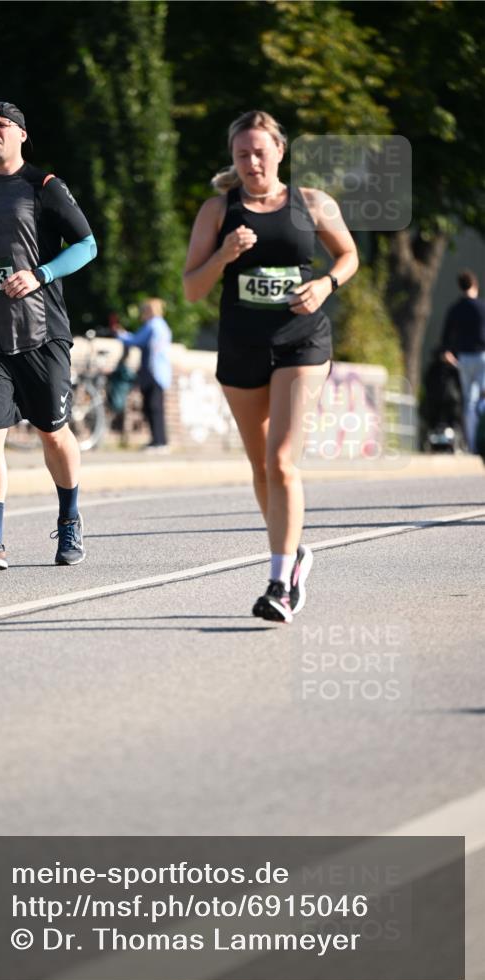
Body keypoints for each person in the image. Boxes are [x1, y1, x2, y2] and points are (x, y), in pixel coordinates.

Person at [183, 110, 358, 623]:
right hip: (241, 345)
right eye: (242, 154)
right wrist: (225, 254)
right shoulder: (218, 211)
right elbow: (192, 288)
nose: (252, 161)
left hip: (302, 342)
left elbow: (347, 256)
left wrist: (326, 285)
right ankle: (295, 548)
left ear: (280, 151)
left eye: (261, 151)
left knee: (282, 461)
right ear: (233, 159)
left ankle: (280, 581)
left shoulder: (312, 203)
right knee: (261, 467)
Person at [0, 101, 97, 570]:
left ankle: (69, 519)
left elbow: (87, 244)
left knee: (52, 432)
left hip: (41, 331)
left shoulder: (43, 186)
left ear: (22, 135)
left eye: (3, 125)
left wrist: (41, 274)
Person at [114, 299, 173, 450]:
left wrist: (120, 335)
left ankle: (159, 442)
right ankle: (159, 440)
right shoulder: (162, 325)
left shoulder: (153, 325)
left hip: (153, 372)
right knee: (155, 407)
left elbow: (135, 341)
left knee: (153, 407)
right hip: (160, 372)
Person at [440, 270, 485, 454]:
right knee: (482, 398)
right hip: (482, 356)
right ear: (475, 285)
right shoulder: (482, 307)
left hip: (464, 358)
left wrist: (448, 354)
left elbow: (445, 339)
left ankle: (474, 445)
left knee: (469, 401)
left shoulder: (455, 309)